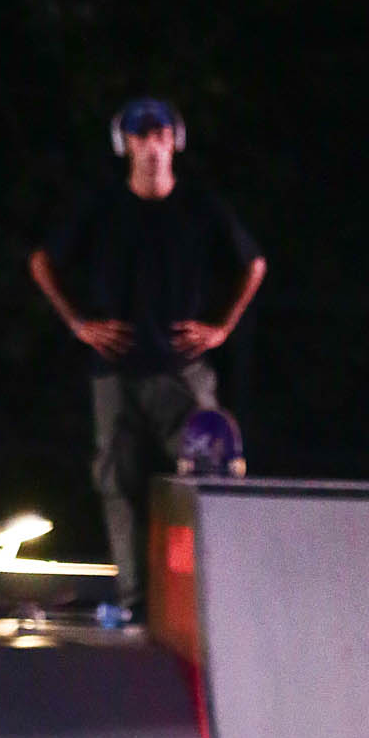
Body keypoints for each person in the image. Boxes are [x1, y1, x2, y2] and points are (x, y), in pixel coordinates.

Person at [29, 98, 266, 621]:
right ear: (126, 145)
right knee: (118, 483)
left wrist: (222, 327)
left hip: (181, 371)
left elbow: (253, 263)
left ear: (174, 142)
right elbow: (42, 261)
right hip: (115, 370)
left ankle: (215, 598)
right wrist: (78, 324)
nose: (151, 146)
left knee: (211, 476)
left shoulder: (200, 206)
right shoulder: (103, 206)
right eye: (141, 137)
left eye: (160, 135)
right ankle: (136, 600)